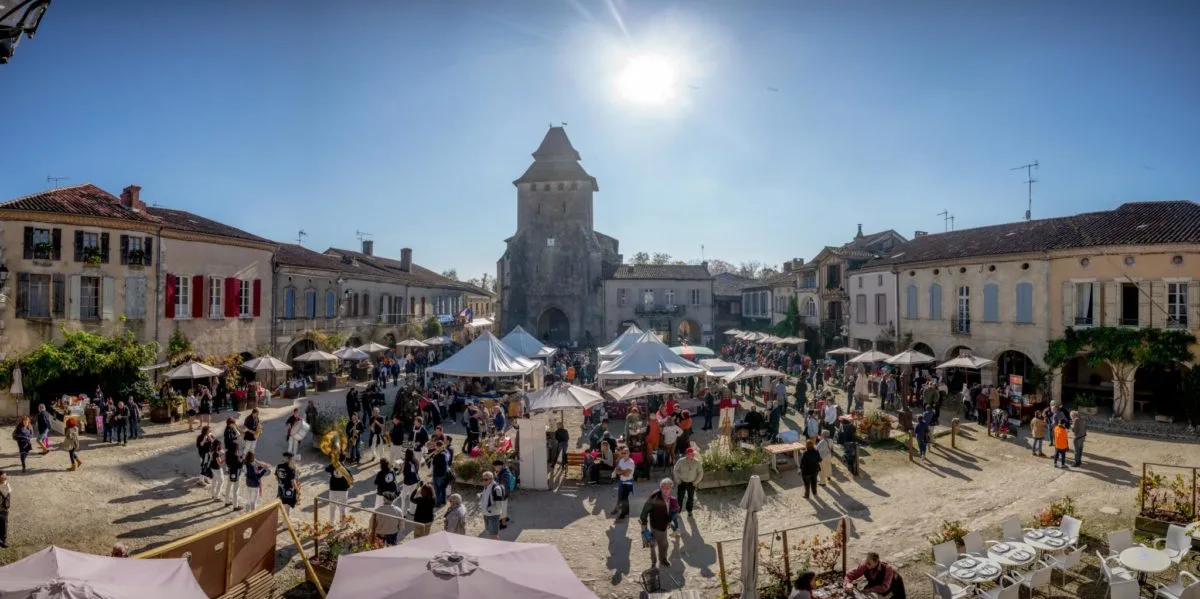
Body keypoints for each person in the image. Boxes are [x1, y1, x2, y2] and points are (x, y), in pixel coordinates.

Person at [639, 478, 675, 568]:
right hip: (656, 526)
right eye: (664, 487)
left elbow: (671, 510)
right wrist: (644, 524)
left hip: (664, 525)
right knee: (653, 544)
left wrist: (669, 521)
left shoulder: (671, 497)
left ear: (671, 488)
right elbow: (644, 511)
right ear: (660, 487)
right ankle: (654, 562)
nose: (666, 490)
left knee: (664, 545)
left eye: (668, 488)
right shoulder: (654, 498)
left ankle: (663, 560)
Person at [672, 447, 703, 516]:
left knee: (690, 498)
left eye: (691, 454)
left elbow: (700, 473)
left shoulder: (697, 463)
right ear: (686, 454)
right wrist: (678, 480)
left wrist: (695, 482)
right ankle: (678, 511)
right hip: (682, 482)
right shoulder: (680, 461)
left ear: (693, 455)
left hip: (691, 482)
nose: (689, 456)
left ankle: (689, 511)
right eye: (688, 454)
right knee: (680, 497)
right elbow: (675, 470)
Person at [324, 455, 352, 523]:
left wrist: (333, 462)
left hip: (333, 490)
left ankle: (331, 523)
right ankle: (343, 524)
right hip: (343, 491)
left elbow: (326, 469)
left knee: (332, 508)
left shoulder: (333, 466)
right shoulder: (347, 469)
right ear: (344, 459)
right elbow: (351, 480)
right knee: (343, 508)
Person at [479, 471, 505, 540]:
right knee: (490, 533)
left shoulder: (496, 489)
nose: (484, 481)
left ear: (491, 479)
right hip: (486, 514)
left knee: (494, 535)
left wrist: (489, 509)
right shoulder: (487, 486)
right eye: (483, 479)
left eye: (486, 479)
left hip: (493, 515)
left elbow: (499, 505)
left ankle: (497, 549)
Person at [612, 446, 636, 521]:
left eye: (625, 453)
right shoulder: (622, 460)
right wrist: (622, 471)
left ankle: (623, 514)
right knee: (624, 498)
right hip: (622, 481)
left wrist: (620, 472)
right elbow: (618, 468)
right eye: (622, 453)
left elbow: (626, 474)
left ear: (629, 453)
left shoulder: (631, 463)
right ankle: (626, 512)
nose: (624, 454)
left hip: (628, 482)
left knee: (623, 498)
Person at [275, 452, 300, 518]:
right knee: (287, 509)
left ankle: (284, 522)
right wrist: (297, 490)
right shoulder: (291, 469)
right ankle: (285, 525)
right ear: (290, 459)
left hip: (280, 489)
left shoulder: (278, 466)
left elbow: (276, 477)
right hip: (288, 491)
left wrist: (281, 483)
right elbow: (293, 482)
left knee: (282, 506)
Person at [428, 441, 452, 507]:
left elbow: (434, 463)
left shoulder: (438, 455)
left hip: (438, 474)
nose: (435, 447)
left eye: (436, 446)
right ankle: (443, 501)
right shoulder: (447, 452)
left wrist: (434, 456)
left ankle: (438, 503)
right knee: (443, 488)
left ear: (439, 447)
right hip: (445, 473)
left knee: (437, 489)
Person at [400, 447, 421, 516]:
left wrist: (402, 466)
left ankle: (403, 513)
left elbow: (405, 473)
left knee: (403, 497)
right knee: (412, 496)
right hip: (415, 480)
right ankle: (412, 511)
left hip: (408, 482)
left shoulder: (406, 463)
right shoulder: (416, 461)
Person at [493, 460, 513, 528]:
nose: (494, 468)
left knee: (503, 508)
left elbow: (504, 485)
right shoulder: (500, 471)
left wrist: (496, 477)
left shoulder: (505, 473)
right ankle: (502, 518)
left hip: (503, 493)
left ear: (500, 466)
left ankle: (503, 524)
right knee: (502, 507)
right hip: (502, 492)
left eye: (495, 466)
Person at [0, 471, 8, 548]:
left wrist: (7, 506)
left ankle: (4, 540)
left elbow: (7, 495)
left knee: (4, 525)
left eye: (5, 478)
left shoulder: (6, 485)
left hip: (3, 510)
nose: (4, 479)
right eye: (2, 478)